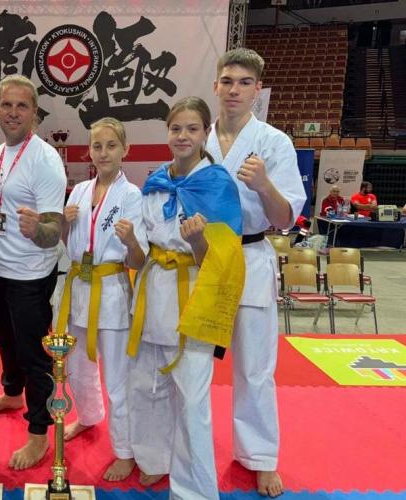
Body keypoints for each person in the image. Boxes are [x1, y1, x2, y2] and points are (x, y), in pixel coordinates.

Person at [127, 97, 246, 499]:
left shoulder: (217, 184)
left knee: (192, 399)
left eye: (192, 129)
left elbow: (223, 259)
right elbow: (144, 244)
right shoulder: (155, 181)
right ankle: (154, 458)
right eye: (176, 128)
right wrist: (131, 244)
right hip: (152, 290)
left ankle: (194, 490)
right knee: (148, 385)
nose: (183, 136)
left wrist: (197, 241)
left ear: (205, 133)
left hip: (194, 293)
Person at [205, 48, 306, 498]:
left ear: (257, 90)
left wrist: (264, 185)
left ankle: (260, 457)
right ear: (215, 86)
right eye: (227, 81)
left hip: (249, 256)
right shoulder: (197, 137)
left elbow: (284, 220)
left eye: (244, 82)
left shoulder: (274, 143)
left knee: (255, 367)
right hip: (203, 258)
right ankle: (182, 444)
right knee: (190, 364)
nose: (234, 90)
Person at [0, 75, 67, 470]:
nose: (13, 112)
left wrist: (37, 230)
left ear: (34, 112)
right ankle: (13, 394)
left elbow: (53, 232)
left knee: (33, 355)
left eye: (22, 106)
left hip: (30, 274)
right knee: (3, 339)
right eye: (7, 105)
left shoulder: (44, 160)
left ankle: (39, 432)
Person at [56, 118, 146, 481]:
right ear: (89, 151)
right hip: (79, 286)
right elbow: (69, 245)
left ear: (125, 150)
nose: (104, 153)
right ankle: (89, 415)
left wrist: (132, 242)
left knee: (118, 376)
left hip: (110, 291)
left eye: (111, 145)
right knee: (77, 367)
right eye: (97, 146)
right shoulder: (79, 191)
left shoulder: (132, 196)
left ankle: (125, 450)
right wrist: (64, 224)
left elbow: (138, 261)